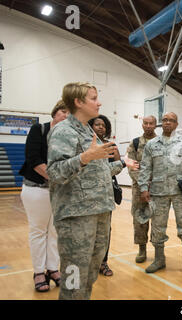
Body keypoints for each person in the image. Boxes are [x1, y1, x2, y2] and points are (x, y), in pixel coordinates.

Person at [47, 82, 138, 300]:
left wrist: (123, 163)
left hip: (99, 212)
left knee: (89, 276)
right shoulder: (64, 131)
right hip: (76, 216)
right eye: (94, 98)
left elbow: (99, 172)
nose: (99, 103)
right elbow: (55, 172)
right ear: (78, 102)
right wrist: (85, 157)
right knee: (74, 278)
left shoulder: (88, 130)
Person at [138, 112, 182, 275]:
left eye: (171, 120)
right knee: (158, 227)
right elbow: (145, 167)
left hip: (181, 192)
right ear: (161, 123)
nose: (167, 123)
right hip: (159, 192)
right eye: (165, 120)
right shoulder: (152, 144)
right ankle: (159, 259)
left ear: (176, 124)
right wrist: (143, 188)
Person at [19, 100, 68, 292]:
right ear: (55, 112)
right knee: (38, 231)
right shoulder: (38, 130)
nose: (66, 115)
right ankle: (39, 272)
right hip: (36, 189)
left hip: (59, 191)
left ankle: (53, 269)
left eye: (70, 113)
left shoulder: (68, 137)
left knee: (55, 231)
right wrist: (56, 178)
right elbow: (34, 160)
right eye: (63, 111)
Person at [88, 114, 120, 277]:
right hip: (87, 194)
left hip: (106, 194)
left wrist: (114, 151)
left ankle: (103, 262)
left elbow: (118, 165)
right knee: (88, 230)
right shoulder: (87, 145)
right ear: (90, 127)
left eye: (103, 125)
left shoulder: (110, 145)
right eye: (97, 124)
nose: (100, 127)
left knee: (105, 230)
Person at [126, 115, 157, 263]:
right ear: (142, 125)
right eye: (146, 123)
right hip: (139, 188)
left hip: (158, 188)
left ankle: (158, 249)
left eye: (151, 123)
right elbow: (132, 166)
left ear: (155, 125)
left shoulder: (162, 142)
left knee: (158, 220)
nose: (148, 126)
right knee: (140, 219)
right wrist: (144, 185)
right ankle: (142, 249)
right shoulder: (135, 143)